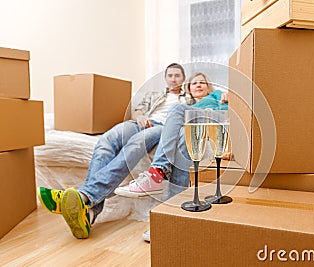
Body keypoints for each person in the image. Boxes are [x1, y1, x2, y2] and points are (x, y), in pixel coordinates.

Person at [37, 63, 193, 239]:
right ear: (165, 78)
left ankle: (84, 196)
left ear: (183, 79)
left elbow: (190, 118)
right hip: (141, 123)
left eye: (177, 76)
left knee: (134, 145)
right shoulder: (154, 95)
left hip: (162, 128)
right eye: (170, 75)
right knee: (106, 141)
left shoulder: (190, 98)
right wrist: (140, 117)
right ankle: (89, 212)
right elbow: (137, 111)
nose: (173, 79)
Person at [114, 72, 228, 242]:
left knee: (177, 110)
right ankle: (171, 216)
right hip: (193, 123)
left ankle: (156, 173)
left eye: (202, 82)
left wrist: (229, 96)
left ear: (209, 86)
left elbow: (235, 102)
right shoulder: (188, 103)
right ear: (188, 89)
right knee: (183, 135)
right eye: (194, 83)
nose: (198, 85)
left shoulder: (217, 95)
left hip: (215, 120)